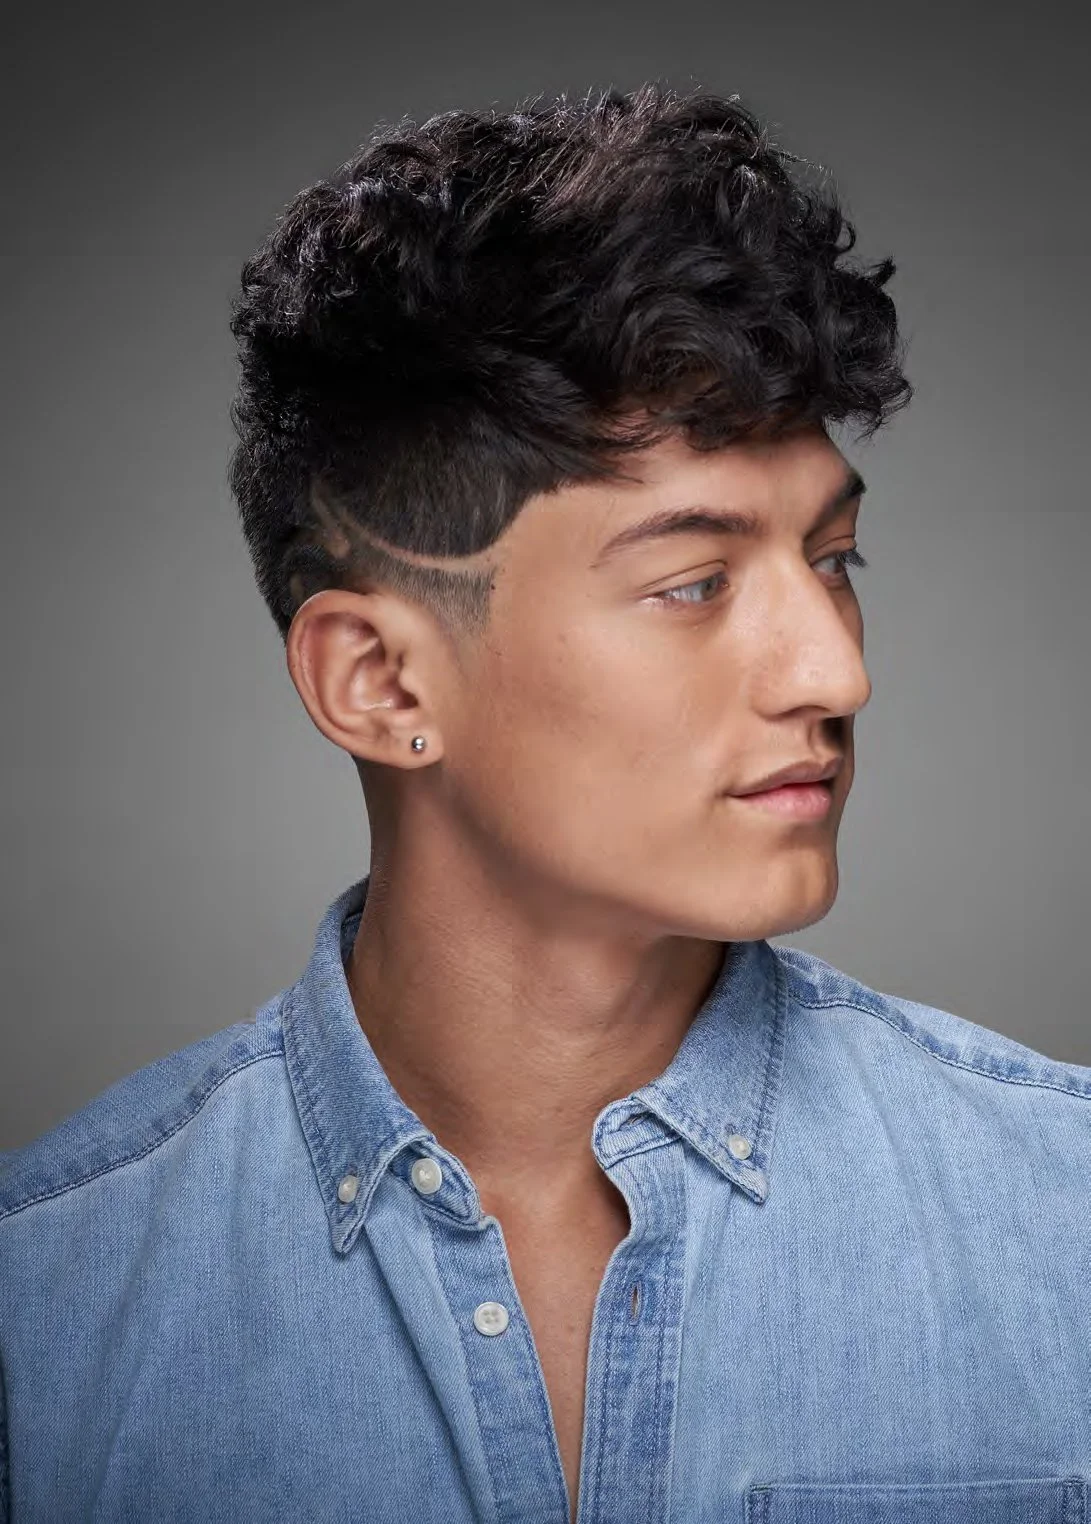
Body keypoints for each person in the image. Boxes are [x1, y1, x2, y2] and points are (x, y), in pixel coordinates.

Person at [1, 81, 1087, 1524]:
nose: (836, 670)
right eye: (691, 583)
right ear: (379, 681)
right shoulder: (46, 1311)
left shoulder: (1066, 1216)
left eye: (832, 560)